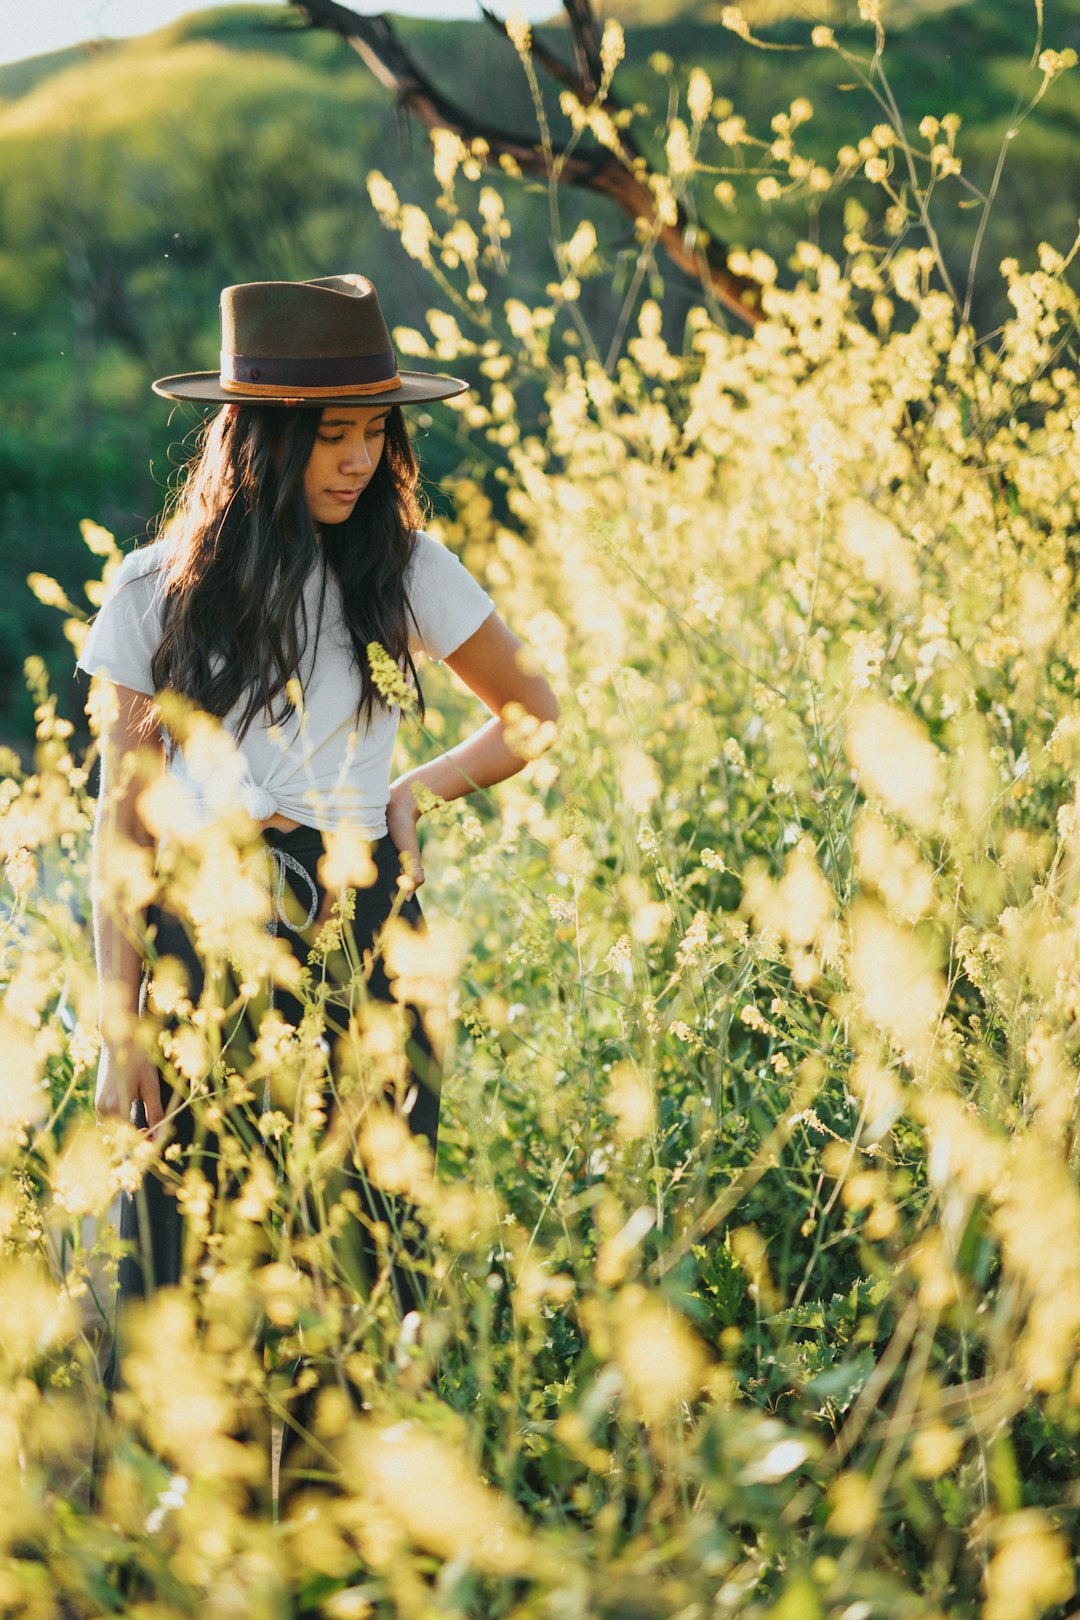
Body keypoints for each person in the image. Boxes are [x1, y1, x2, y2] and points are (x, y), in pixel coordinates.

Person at [77, 273, 559, 1513]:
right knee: (182, 1257)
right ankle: (199, 1541)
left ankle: (336, 1543)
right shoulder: (150, 590)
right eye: (332, 434)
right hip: (200, 940)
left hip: (364, 935)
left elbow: (533, 716)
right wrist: (119, 1025)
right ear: (262, 439)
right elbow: (119, 828)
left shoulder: (405, 567)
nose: (358, 460)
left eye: (373, 433)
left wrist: (421, 792)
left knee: (356, 1249)